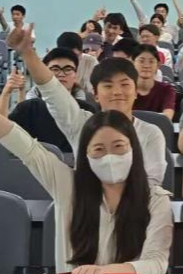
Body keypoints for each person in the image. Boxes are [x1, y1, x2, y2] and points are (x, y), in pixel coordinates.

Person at [0, 74, 172, 274]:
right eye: (99, 149)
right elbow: (25, 147)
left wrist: (102, 272)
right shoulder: (68, 185)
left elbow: (156, 263)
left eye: (119, 146)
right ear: (86, 154)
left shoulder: (155, 199)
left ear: (134, 149)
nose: (109, 157)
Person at [9, 24, 168, 187]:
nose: (117, 92)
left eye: (125, 84)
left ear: (135, 92)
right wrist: (27, 53)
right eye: (108, 86)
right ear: (96, 95)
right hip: (87, 201)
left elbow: (152, 183)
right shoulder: (82, 124)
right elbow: (52, 90)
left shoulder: (151, 133)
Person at [9, 49, 95, 152]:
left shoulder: (86, 111)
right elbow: (7, 138)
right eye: (55, 69)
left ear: (75, 75)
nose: (61, 74)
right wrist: (6, 93)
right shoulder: (31, 108)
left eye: (68, 69)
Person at [132, 44, 177, 119]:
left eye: (151, 61)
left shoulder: (166, 89)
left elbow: (167, 117)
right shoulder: (126, 89)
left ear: (158, 65)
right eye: (141, 61)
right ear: (133, 63)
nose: (146, 66)